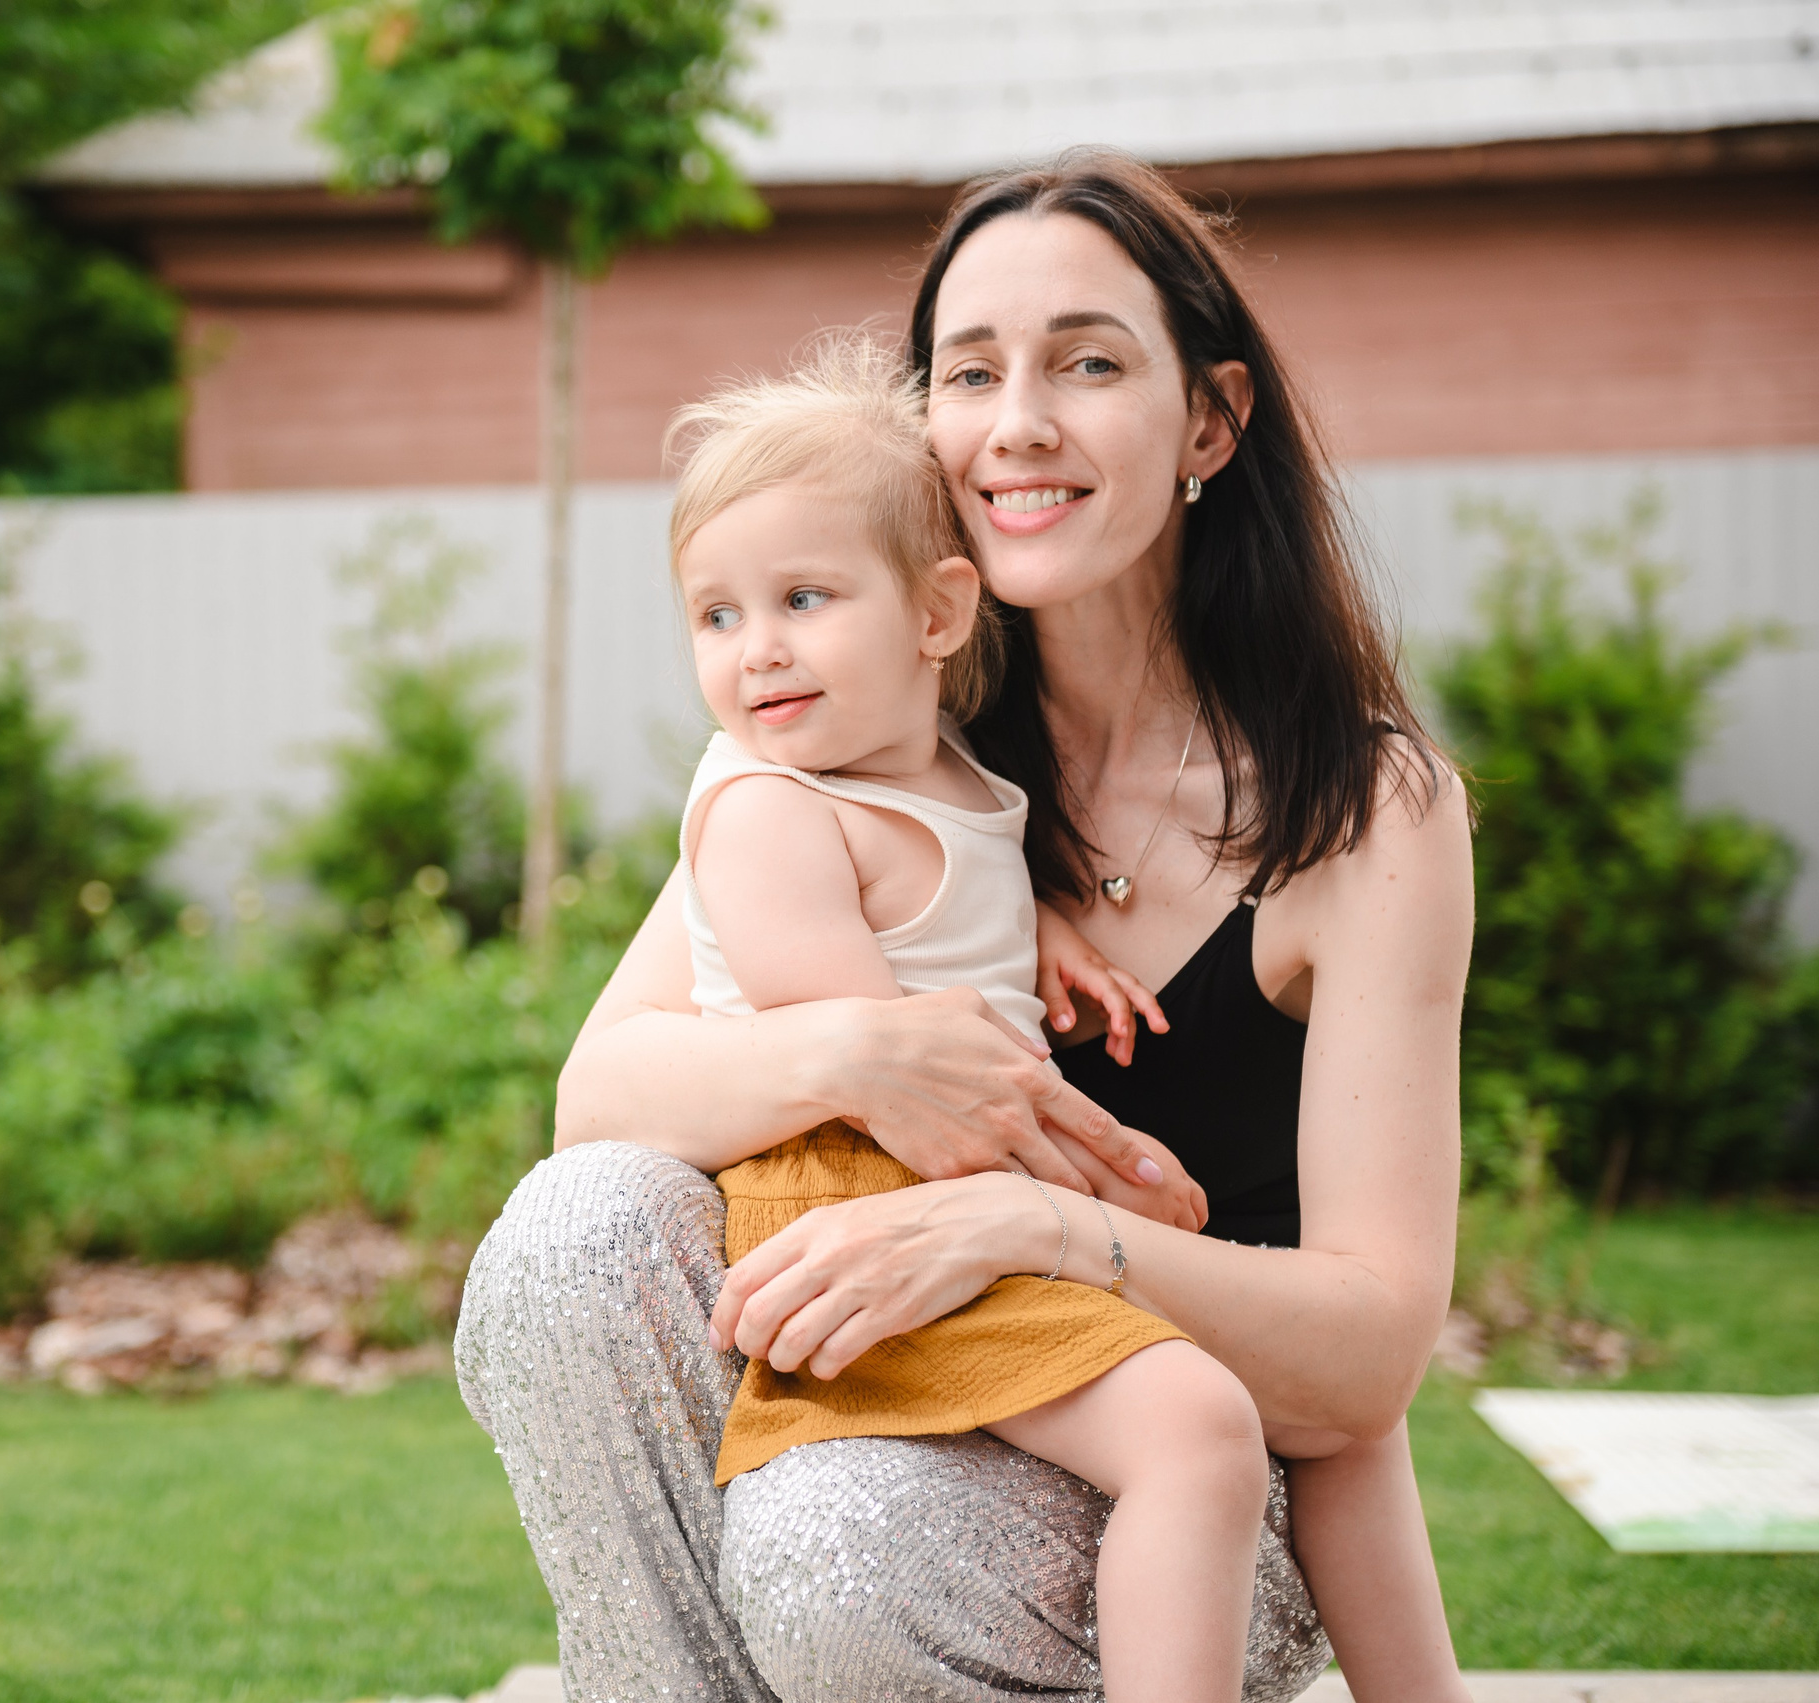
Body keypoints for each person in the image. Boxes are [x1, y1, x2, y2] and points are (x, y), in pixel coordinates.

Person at [453, 147, 1475, 1703]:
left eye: (1088, 363)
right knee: (571, 1239)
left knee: (835, 1539)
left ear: (1210, 418)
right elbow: (602, 1099)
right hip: (900, 1404)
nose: (1019, 424)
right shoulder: (869, 733)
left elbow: (1369, 1359)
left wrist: (1044, 1221)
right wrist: (874, 1047)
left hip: (1197, 1476)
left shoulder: (1362, 811)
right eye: (972, 370)